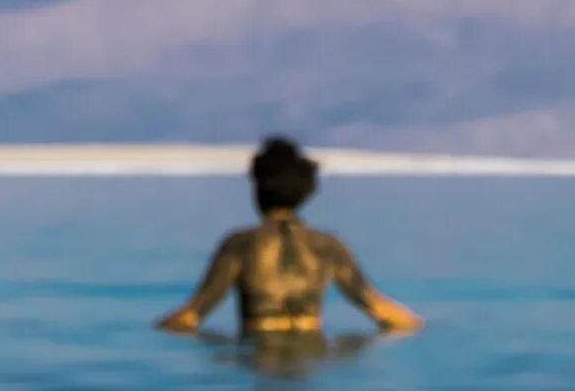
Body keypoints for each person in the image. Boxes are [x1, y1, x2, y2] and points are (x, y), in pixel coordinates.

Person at [155, 137, 425, 337]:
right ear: (305, 192)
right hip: (313, 357)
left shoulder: (241, 245)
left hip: (258, 355)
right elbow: (383, 311)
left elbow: (190, 317)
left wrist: (154, 330)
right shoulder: (327, 246)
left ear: (258, 189)